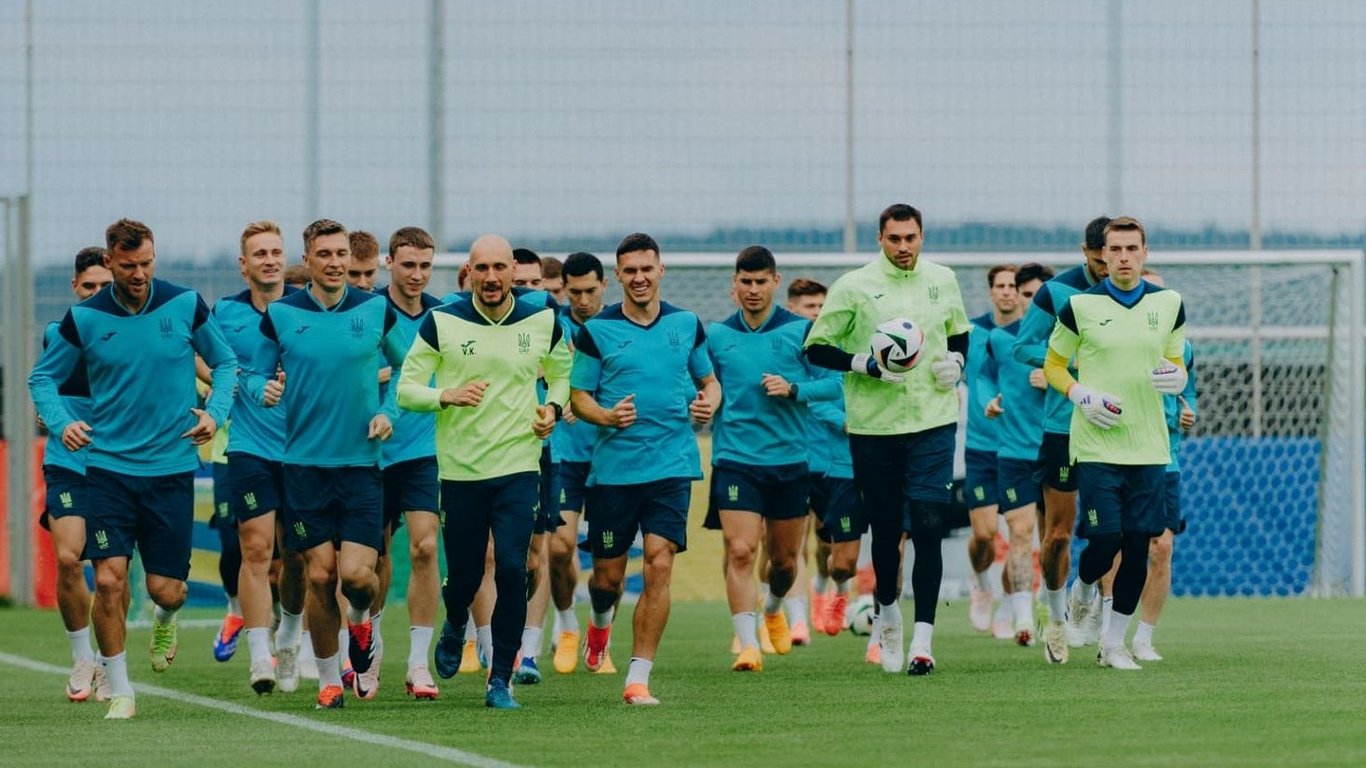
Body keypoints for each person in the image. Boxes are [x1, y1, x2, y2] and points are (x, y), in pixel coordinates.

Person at [30, 219, 238, 719]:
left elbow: (226, 364)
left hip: (170, 469)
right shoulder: (84, 318)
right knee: (107, 580)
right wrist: (62, 423)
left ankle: (164, 617)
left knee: (168, 589)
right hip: (107, 470)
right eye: (128, 266)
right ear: (110, 261)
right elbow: (42, 379)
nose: (139, 274)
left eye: (146, 263)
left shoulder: (184, 304)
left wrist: (215, 414)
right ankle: (120, 689)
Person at [397, 234, 572, 709]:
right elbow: (406, 389)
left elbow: (561, 373)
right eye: (482, 269)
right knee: (466, 575)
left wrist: (553, 408)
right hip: (462, 471)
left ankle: (500, 679)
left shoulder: (543, 319)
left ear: (513, 271)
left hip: (519, 466)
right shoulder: (442, 321)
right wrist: (445, 395)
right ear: (468, 273)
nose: (492, 277)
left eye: (499, 268)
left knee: (514, 567)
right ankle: (455, 622)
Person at [246, 218, 407, 709]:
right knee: (319, 576)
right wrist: (262, 388)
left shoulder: (375, 309)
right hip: (304, 468)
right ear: (308, 260)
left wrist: (388, 412)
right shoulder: (281, 314)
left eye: (341, 254)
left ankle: (360, 622)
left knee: (357, 577)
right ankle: (329, 680)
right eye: (325, 255)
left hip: (360, 466)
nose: (335, 263)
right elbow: (252, 372)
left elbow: (407, 368)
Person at [805, 204, 970, 676]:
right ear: (880, 238)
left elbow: (959, 335)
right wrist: (862, 364)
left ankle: (924, 642)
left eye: (910, 238)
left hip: (934, 422)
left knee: (928, 523)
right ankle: (889, 616)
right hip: (874, 427)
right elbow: (816, 347)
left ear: (922, 237)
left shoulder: (943, 279)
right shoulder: (854, 286)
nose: (903, 246)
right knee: (884, 529)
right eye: (894, 238)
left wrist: (957, 364)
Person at [570, 232, 721, 705]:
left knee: (659, 562)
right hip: (614, 473)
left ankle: (638, 677)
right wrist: (607, 416)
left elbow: (709, 381)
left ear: (661, 270)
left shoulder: (686, 323)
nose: (639, 277)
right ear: (617, 275)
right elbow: (579, 397)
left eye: (646, 269)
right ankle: (599, 626)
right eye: (630, 270)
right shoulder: (597, 331)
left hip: (672, 465)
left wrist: (708, 404)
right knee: (607, 581)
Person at [1044, 216, 1188, 671]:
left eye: (1132, 249)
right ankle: (1084, 587)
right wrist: (1080, 394)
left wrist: (1178, 377)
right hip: (1097, 445)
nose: (1124, 257)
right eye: (1116, 249)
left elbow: (1175, 362)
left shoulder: (1170, 304)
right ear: (1102, 256)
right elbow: (1053, 365)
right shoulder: (1079, 307)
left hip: (1150, 447)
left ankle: (1113, 644)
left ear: (1145, 253)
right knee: (1105, 539)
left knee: (1139, 545)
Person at [704, 246, 839, 672]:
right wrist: (702, 402)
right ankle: (748, 645)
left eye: (761, 281)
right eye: (745, 281)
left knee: (782, 563)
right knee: (741, 550)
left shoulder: (803, 331)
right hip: (735, 459)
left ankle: (775, 607)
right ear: (734, 285)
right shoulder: (716, 336)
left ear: (775, 283)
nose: (753, 289)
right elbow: (704, 384)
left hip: (790, 462)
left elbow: (835, 384)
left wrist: (794, 389)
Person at [212, 220, 306, 694]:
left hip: (305, 448)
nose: (269, 260)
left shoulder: (305, 308)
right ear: (243, 264)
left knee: (299, 556)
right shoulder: (225, 313)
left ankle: (288, 634)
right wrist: (243, 385)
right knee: (255, 549)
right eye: (260, 253)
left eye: (275, 252)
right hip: (249, 447)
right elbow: (205, 358)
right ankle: (258, 656)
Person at [1012, 216, 1110, 663]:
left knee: (1115, 531)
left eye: (1116, 255)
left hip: (1116, 426)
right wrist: (1073, 364)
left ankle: (1102, 619)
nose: (1109, 266)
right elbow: (1022, 347)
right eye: (1100, 258)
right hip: (1064, 426)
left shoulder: (1138, 297)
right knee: (1057, 536)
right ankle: (1054, 617)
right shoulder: (1056, 293)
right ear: (1085, 252)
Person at [1097, 269, 1197, 662]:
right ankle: (1109, 633)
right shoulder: (1109, 341)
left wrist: (1189, 413)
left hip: (1164, 458)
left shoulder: (1183, 349)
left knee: (1162, 546)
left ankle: (1144, 637)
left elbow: (1189, 393)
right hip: (1119, 453)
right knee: (1118, 544)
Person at [361, 226, 443, 701]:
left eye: (425, 265)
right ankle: (370, 649)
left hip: (423, 451)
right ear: (389, 263)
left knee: (425, 548)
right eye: (408, 264)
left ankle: (418, 662)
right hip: (372, 452)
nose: (417, 274)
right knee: (373, 559)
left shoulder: (443, 316)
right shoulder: (368, 312)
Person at [38, 247, 112, 703]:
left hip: (118, 464)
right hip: (68, 461)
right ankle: (82, 656)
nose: (98, 293)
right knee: (69, 558)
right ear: (74, 287)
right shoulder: (57, 333)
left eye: (106, 286)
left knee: (110, 571)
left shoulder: (132, 334)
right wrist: (56, 418)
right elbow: (44, 384)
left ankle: (108, 661)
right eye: (90, 286)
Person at [981, 262, 1054, 647]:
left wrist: (1057, 378)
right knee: (1021, 532)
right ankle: (1024, 618)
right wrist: (988, 401)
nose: (1032, 302)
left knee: (1055, 539)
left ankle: (1048, 605)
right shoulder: (1000, 338)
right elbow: (983, 376)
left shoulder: (1068, 341)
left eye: (1040, 296)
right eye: (1027, 295)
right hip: (1013, 453)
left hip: (1058, 451)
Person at [547, 252, 609, 675]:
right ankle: (567, 623)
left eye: (590, 291)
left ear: (604, 285)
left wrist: (586, 402)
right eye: (575, 293)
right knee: (559, 546)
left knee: (607, 562)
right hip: (564, 455)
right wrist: (561, 397)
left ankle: (601, 635)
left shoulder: (618, 328)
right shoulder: (552, 328)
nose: (583, 300)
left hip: (609, 457)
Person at [964, 264, 1018, 633]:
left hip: (1019, 449)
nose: (1007, 291)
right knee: (984, 535)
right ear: (991, 291)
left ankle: (1008, 608)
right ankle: (982, 585)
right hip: (981, 447)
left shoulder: (1030, 335)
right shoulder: (971, 332)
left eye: (1013, 285)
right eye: (1000, 285)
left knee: (1019, 536)